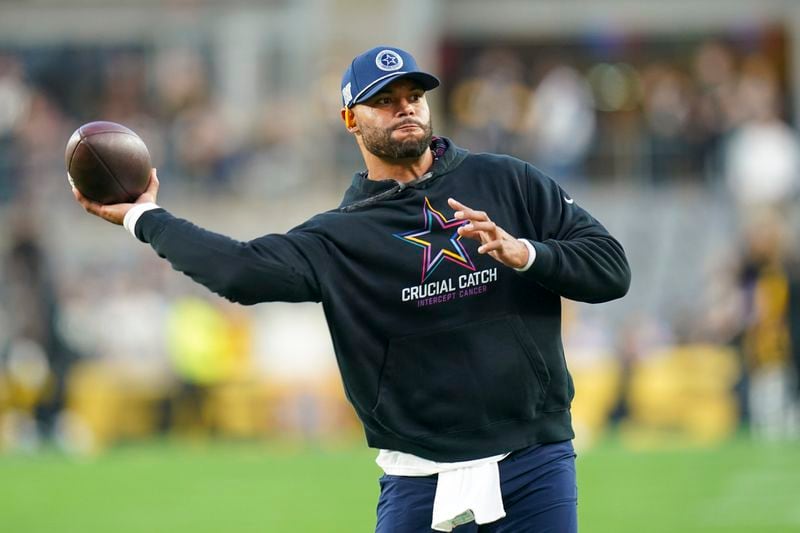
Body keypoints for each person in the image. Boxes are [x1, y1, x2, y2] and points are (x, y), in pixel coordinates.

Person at [73, 46, 630, 533]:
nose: (405, 106)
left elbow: (611, 269)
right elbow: (241, 272)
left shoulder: (507, 180)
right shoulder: (340, 236)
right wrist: (145, 218)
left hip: (534, 458)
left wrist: (526, 253)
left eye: (414, 94)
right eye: (385, 100)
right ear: (350, 119)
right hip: (418, 475)